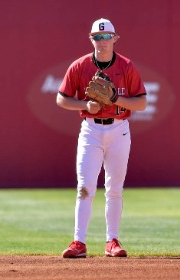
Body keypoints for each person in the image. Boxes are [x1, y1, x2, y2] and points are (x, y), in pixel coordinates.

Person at [56, 18, 147, 258]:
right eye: (97, 36)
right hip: (91, 130)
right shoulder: (79, 66)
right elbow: (61, 98)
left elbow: (141, 102)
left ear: (115, 39)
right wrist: (85, 105)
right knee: (85, 187)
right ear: (91, 39)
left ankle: (112, 241)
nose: (102, 41)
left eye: (106, 36)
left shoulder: (126, 66)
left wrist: (115, 100)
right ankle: (79, 242)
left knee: (114, 189)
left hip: (119, 130)